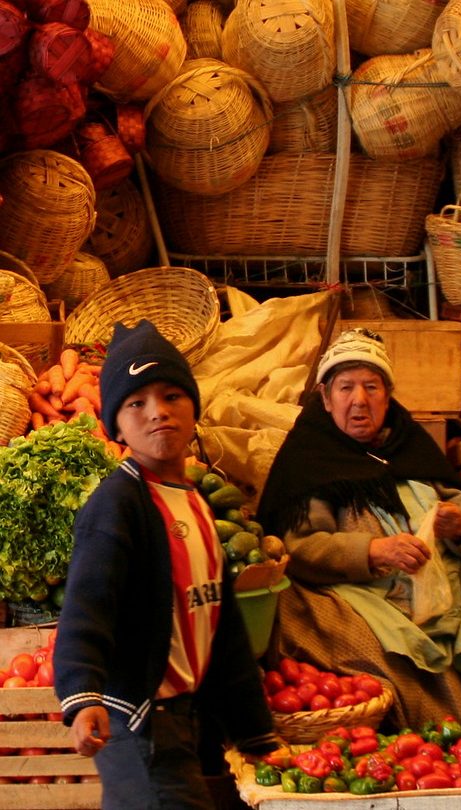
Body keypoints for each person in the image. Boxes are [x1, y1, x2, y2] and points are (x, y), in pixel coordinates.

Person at [256, 328, 461, 733]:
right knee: (377, 655)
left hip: (452, 579)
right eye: (346, 387)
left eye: (372, 387)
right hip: (360, 591)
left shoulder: (408, 442)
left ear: (388, 396)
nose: (359, 400)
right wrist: (373, 551)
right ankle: (431, 745)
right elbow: (299, 546)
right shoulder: (310, 457)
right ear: (326, 397)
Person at [54, 319, 279, 810]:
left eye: (172, 396)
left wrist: (254, 730)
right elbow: (86, 606)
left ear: (194, 408)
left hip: (184, 718)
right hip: (136, 721)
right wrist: (83, 694)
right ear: (114, 424)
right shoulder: (118, 505)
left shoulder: (196, 503)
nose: (158, 413)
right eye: (136, 403)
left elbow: (223, 629)